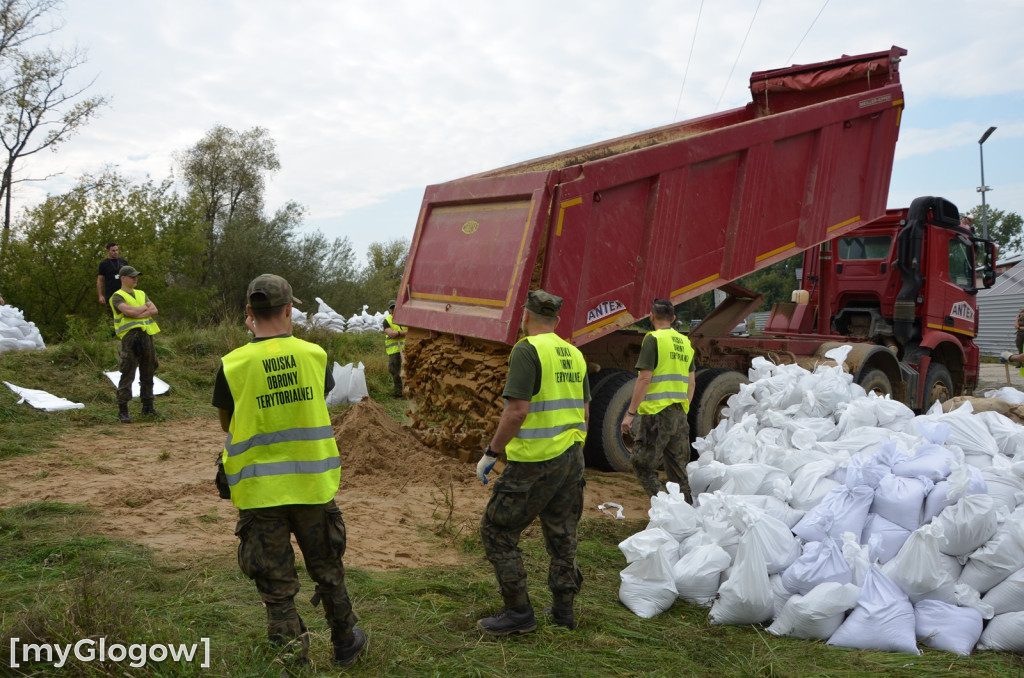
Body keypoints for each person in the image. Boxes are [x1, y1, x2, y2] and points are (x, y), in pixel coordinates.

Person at [212, 274, 366, 669]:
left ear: (249, 313)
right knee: (328, 569)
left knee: (277, 587)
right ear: (289, 309)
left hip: (260, 493)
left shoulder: (233, 364)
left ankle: (293, 661)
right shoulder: (315, 355)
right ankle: (347, 642)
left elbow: (227, 425)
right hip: (313, 486)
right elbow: (318, 397)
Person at [475, 289, 590, 635]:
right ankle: (563, 612)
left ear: (525, 317)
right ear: (556, 321)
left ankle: (518, 613)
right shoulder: (575, 353)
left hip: (536, 462)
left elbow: (517, 411)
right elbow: (584, 410)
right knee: (562, 535)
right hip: (572, 457)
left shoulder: (526, 350)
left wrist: (491, 453)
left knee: (497, 530)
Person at [620, 298, 695, 501]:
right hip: (679, 413)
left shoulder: (653, 339)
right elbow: (691, 383)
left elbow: (645, 378)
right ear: (673, 318)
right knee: (678, 470)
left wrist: (630, 414)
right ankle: (687, 512)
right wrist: (682, 410)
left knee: (642, 463)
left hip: (656, 414)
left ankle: (666, 506)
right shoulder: (685, 342)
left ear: (651, 316)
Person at [110, 265, 160, 423]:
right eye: (132, 276)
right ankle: (123, 410)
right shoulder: (117, 296)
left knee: (149, 370)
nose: (135, 279)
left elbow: (154, 310)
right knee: (128, 372)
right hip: (130, 337)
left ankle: (148, 407)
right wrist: (144, 309)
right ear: (123, 278)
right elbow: (129, 312)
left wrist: (139, 311)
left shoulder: (141, 293)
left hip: (147, 335)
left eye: (136, 276)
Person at [382, 299, 407, 397]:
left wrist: (398, 334)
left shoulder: (405, 318)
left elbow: (411, 331)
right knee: (395, 371)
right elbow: (391, 334)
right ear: (389, 309)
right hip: (394, 351)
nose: (394, 309)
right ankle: (399, 392)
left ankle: (410, 391)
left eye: (395, 307)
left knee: (407, 371)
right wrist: (402, 333)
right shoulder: (387, 321)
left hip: (407, 350)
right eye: (392, 308)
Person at [97, 242, 128, 313]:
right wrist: (100, 295)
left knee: (126, 313)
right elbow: (100, 280)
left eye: (117, 250)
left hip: (124, 292)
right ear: (108, 251)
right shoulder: (104, 264)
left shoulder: (123, 262)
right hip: (111, 294)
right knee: (112, 315)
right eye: (113, 251)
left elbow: (129, 276)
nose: (116, 252)